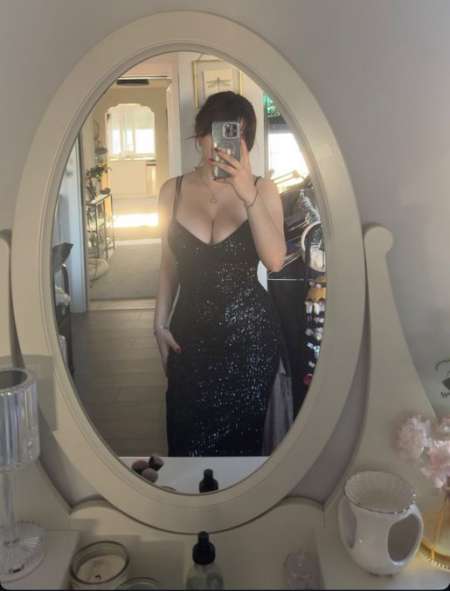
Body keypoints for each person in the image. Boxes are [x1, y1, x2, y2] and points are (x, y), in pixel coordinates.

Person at [154, 91, 286, 456]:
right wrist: (158, 323)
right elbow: (168, 262)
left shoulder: (263, 190)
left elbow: (275, 261)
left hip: (251, 342)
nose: (223, 144)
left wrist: (247, 195)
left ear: (246, 144)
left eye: (237, 135)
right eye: (218, 131)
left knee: (246, 452)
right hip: (189, 338)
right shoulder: (171, 191)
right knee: (186, 443)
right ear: (200, 135)